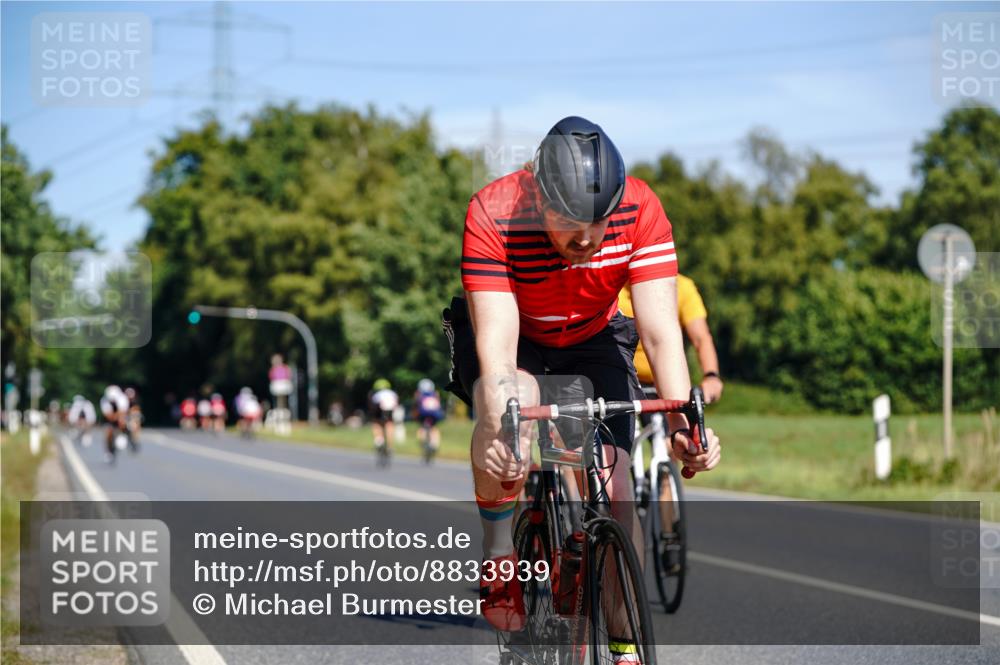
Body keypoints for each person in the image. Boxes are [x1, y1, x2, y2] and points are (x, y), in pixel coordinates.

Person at [443, 116, 721, 658]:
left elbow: (661, 335)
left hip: (593, 336)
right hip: (517, 334)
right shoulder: (495, 213)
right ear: (538, 197)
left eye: (599, 222)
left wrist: (683, 426)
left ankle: (623, 647)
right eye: (571, 223)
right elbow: (497, 342)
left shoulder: (641, 209)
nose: (587, 239)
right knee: (512, 414)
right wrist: (503, 422)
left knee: (617, 497)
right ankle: (499, 552)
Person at [618, 274, 723, 403]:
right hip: (623, 382)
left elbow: (701, 338)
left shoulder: (682, 287)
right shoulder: (615, 287)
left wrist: (711, 376)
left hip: (668, 382)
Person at [413, 378, 445, 461]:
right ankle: (434, 444)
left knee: (421, 428)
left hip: (423, 414)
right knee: (434, 428)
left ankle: (423, 444)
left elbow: (416, 405)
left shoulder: (418, 394)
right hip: (434, 414)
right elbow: (438, 404)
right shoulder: (435, 394)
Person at [368, 378, 399, 464]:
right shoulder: (392, 393)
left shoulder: (375, 394)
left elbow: (372, 406)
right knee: (389, 424)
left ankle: (378, 440)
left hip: (378, 412)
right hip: (389, 412)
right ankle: (389, 446)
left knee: (376, 423)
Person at [99, 385, 132, 464]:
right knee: (108, 433)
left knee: (123, 423)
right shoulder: (104, 400)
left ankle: (124, 436)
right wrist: (115, 416)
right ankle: (108, 451)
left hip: (121, 417)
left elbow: (123, 413)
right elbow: (108, 416)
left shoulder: (123, 399)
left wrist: (118, 418)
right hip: (111, 418)